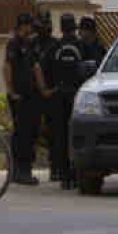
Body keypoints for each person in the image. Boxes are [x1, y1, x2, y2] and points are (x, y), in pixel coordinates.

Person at [38, 13, 85, 189]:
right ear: (75, 27)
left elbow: (39, 67)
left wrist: (45, 90)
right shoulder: (82, 46)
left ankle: (64, 175)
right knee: (77, 135)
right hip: (78, 97)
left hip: (58, 97)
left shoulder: (55, 47)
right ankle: (77, 173)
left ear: (61, 27)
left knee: (60, 137)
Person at [3, 13, 40, 185]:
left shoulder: (28, 43)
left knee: (30, 132)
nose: (31, 28)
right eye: (29, 25)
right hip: (19, 96)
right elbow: (7, 67)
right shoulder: (14, 43)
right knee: (21, 133)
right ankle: (19, 171)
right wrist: (11, 91)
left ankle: (24, 169)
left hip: (30, 96)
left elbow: (34, 67)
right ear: (22, 25)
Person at [31, 12, 61, 181]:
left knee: (54, 133)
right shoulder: (31, 44)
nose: (45, 27)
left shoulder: (55, 44)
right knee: (32, 132)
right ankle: (25, 168)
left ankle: (55, 168)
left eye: (47, 23)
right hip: (34, 95)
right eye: (42, 23)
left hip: (52, 94)